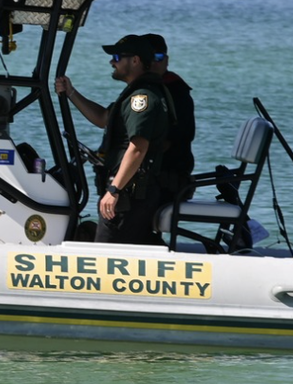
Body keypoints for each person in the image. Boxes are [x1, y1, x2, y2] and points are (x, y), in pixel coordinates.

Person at [55, 35, 172, 245]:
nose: (112, 62)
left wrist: (114, 190)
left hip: (128, 195)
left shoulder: (142, 98)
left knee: (107, 251)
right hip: (130, 193)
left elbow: (138, 148)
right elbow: (103, 119)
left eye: (117, 57)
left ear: (135, 60)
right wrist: (71, 92)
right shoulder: (135, 94)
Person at [143, 33, 196, 199]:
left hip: (166, 180)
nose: (154, 63)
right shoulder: (146, 90)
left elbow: (168, 141)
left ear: (167, 60)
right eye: (149, 58)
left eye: (158, 57)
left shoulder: (176, 91)